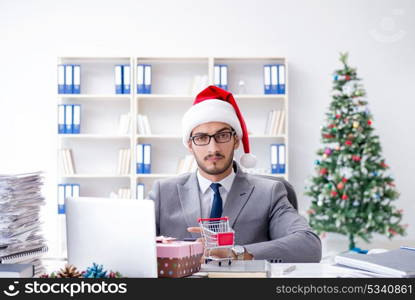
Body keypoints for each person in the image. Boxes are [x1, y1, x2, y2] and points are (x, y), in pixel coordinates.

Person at [149, 85, 321, 262]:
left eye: (222, 136)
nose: (213, 148)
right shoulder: (163, 192)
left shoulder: (269, 192)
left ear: (236, 141)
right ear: (190, 145)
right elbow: (132, 245)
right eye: (201, 138)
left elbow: (309, 245)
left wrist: (237, 252)